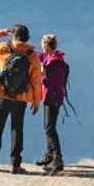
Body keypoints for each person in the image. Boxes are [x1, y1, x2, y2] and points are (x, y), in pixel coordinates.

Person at [0, 23, 44, 174]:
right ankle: (15, 165)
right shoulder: (32, 55)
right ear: (27, 37)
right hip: (21, 97)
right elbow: (36, 80)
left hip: (3, 94)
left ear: (14, 36)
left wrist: (1, 32)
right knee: (17, 128)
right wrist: (36, 101)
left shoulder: (3, 48)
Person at [36, 33, 69, 174]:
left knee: (49, 127)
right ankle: (50, 156)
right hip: (53, 97)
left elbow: (50, 81)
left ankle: (57, 158)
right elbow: (41, 56)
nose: (42, 47)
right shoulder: (52, 57)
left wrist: (41, 74)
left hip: (52, 98)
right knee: (49, 126)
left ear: (47, 45)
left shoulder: (54, 63)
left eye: (43, 45)